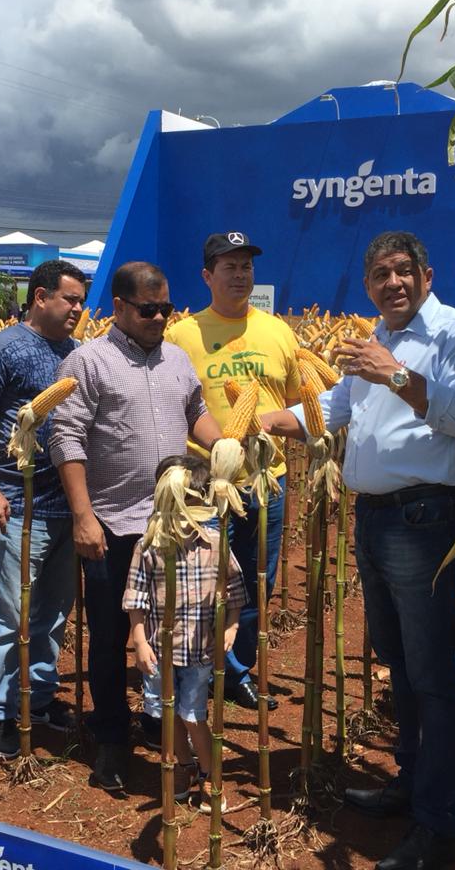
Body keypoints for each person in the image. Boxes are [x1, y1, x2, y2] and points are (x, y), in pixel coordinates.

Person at [259, 231, 455, 870]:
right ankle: (412, 783)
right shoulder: (378, 340)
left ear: (426, 272)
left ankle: (437, 827)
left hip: (426, 518)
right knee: (399, 661)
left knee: (435, 673)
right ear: (367, 287)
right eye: (379, 276)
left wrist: (401, 378)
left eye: (401, 272)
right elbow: (331, 410)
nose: (391, 284)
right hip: (375, 518)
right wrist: (252, 426)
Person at [49, 261, 221, 793]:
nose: (160, 318)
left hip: (173, 525)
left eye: (166, 308)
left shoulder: (177, 358)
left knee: (175, 629)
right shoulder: (88, 362)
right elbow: (67, 439)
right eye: (149, 309)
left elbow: (196, 410)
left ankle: (158, 721)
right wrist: (83, 516)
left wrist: (229, 447)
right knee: (108, 638)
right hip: (114, 524)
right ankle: (111, 741)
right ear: (119, 307)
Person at [165, 231, 300, 713]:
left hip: (267, 481)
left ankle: (237, 670)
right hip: (204, 484)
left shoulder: (279, 331)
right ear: (207, 275)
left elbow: (300, 401)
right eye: (229, 266)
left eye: (247, 266)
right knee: (202, 584)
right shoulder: (181, 335)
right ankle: (198, 672)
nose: (240, 275)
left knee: (255, 584)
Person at [0, 259, 87, 759]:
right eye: (69, 299)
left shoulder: (76, 352)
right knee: (11, 611)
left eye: (81, 300)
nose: (78, 308)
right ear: (40, 297)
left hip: (65, 504)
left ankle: (36, 698)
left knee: (55, 609)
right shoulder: (3, 349)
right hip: (19, 502)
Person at [123, 454, 247, 806]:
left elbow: (235, 591)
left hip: (199, 652)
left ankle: (210, 773)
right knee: (166, 714)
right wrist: (139, 639)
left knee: (193, 716)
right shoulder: (147, 547)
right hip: (160, 653)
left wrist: (232, 626)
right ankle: (185, 764)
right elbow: (136, 598)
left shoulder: (214, 545)